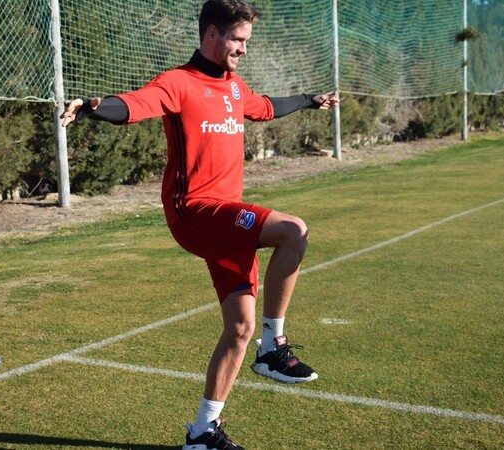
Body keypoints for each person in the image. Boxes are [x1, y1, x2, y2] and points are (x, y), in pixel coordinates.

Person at [62, 1, 339, 448]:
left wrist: (310, 100)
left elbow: (264, 107)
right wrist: (93, 107)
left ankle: (201, 432)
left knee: (239, 328)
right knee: (293, 230)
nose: (243, 50)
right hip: (196, 212)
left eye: (246, 40)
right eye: (237, 40)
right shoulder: (178, 84)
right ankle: (274, 347)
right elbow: (135, 104)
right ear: (211, 34)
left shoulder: (233, 87)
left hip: (227, 219)